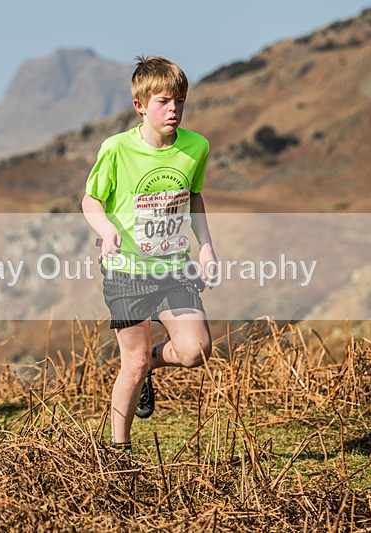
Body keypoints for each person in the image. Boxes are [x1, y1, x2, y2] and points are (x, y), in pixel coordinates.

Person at [82, 56, 218, 451]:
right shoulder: (116, 149)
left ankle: (151, 365)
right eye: (163, 101)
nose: (173, 110)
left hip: (174, 268)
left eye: (180, 101)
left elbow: (193, 197)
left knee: (195, 351)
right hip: (125, 270)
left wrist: (206, 248)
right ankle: (118, 451)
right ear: (140, 105)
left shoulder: (196, 147)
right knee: (133, 360)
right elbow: (91, 200)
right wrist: (107, 230)